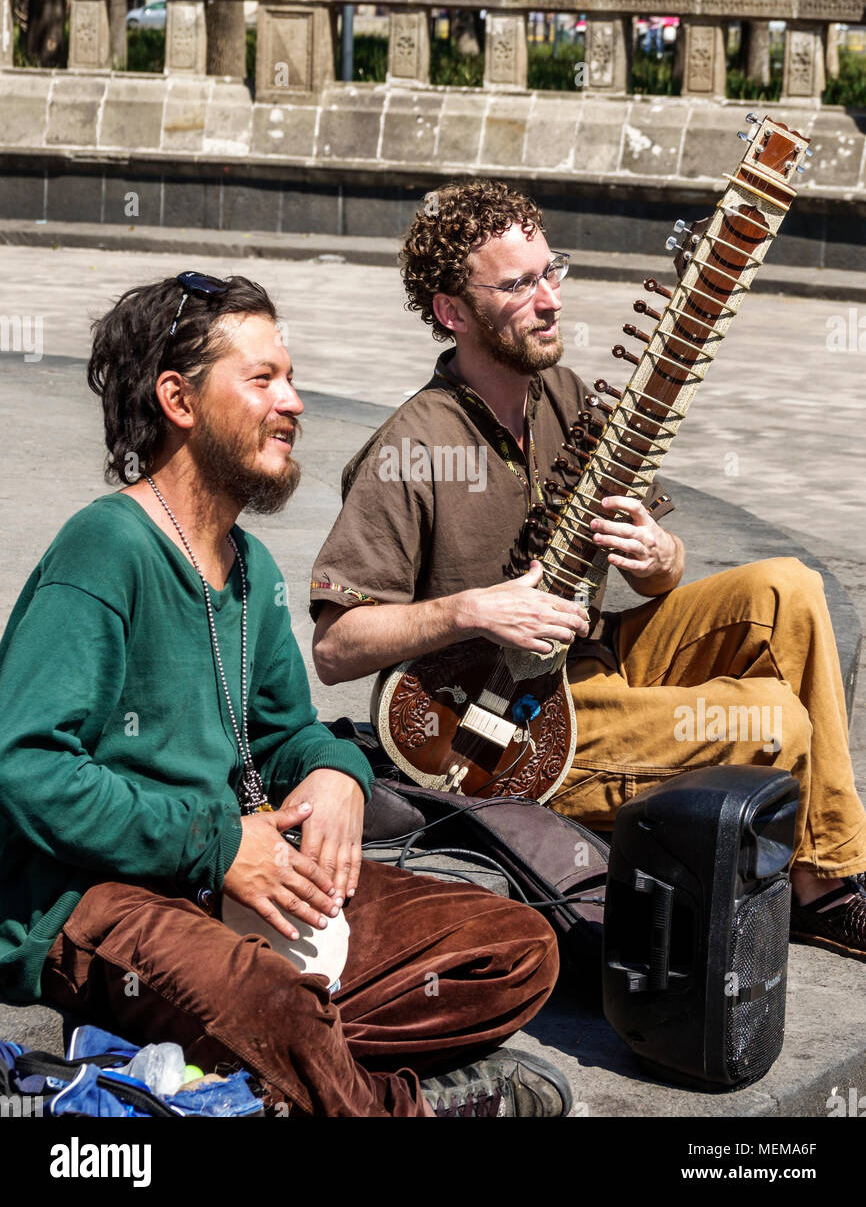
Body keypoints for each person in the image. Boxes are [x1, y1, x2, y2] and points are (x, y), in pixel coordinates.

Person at [0, 270, 568, 1119]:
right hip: (100, 901)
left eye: (290, 377)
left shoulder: (249, 566)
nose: (293, 402)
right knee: (269, 1003)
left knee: (515, 946)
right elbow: (28, 764)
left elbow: (283, 732)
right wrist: (218, 845)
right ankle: (384, 1101)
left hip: (240, 885)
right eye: (262, 379)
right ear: (179, 401)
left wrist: (336, 770)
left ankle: (270, 1074)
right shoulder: (104, 549)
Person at [310, 179, 866, 962]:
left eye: (551, 271)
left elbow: (657, 578)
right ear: (452, 312)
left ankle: (826, 882)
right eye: (519, 285)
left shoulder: (568, 397)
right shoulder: (412, 446)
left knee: (790, 591)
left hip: (593, 654)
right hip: (501, 729)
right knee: (773, 722)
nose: (550, 300)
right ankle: (821, 885)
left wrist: (660, 560)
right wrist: (473, 610)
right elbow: (335, 649)